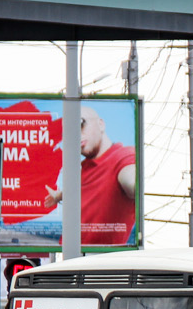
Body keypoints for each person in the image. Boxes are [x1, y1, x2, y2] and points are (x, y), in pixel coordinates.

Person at [42, 105, 138, 246]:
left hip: (97, 262)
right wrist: (59, 196)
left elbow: (131, 180)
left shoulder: (124, 156)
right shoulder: (86, 167)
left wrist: (134, 185)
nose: (76, 135)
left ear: (101, 124)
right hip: (70, 257)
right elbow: (85, 188)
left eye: (81, 124)